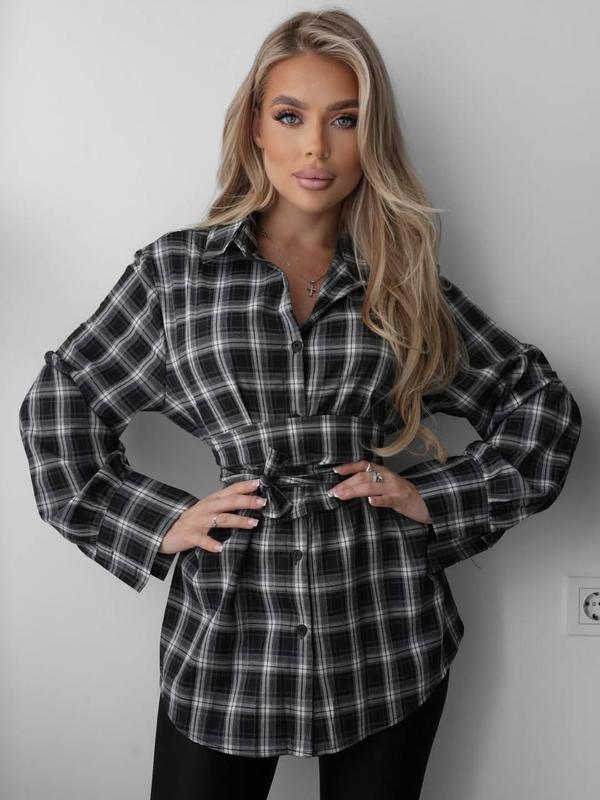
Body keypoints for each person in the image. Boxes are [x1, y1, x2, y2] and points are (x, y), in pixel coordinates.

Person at [18, 8, 582, 800]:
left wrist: (435, 498)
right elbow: (61, 402)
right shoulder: (177, 276)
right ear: (256, 126)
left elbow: (539, 405)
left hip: (387, 633)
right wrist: (158, 522)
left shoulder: (403, 283)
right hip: (226, 640)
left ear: (370, 136)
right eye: (291, 116)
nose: (316, 147)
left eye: (345, 120)